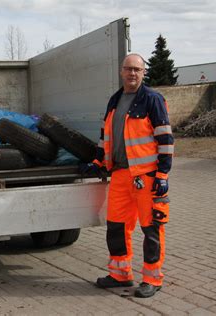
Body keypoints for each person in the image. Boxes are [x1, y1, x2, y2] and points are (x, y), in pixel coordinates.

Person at [80, 53, 174, 298]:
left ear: (143, 73)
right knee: (117, 227)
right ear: (121, 72)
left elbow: (165, 139)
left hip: (147, 176)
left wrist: (163, 175)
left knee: (151, 228)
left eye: (137, 69)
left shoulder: (152, 99)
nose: (132, 73)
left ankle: (152, 279)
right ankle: (120, 274)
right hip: (120, 174)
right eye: (128, 69)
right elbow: (105, 136)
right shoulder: (115, 100)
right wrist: (98, 161)